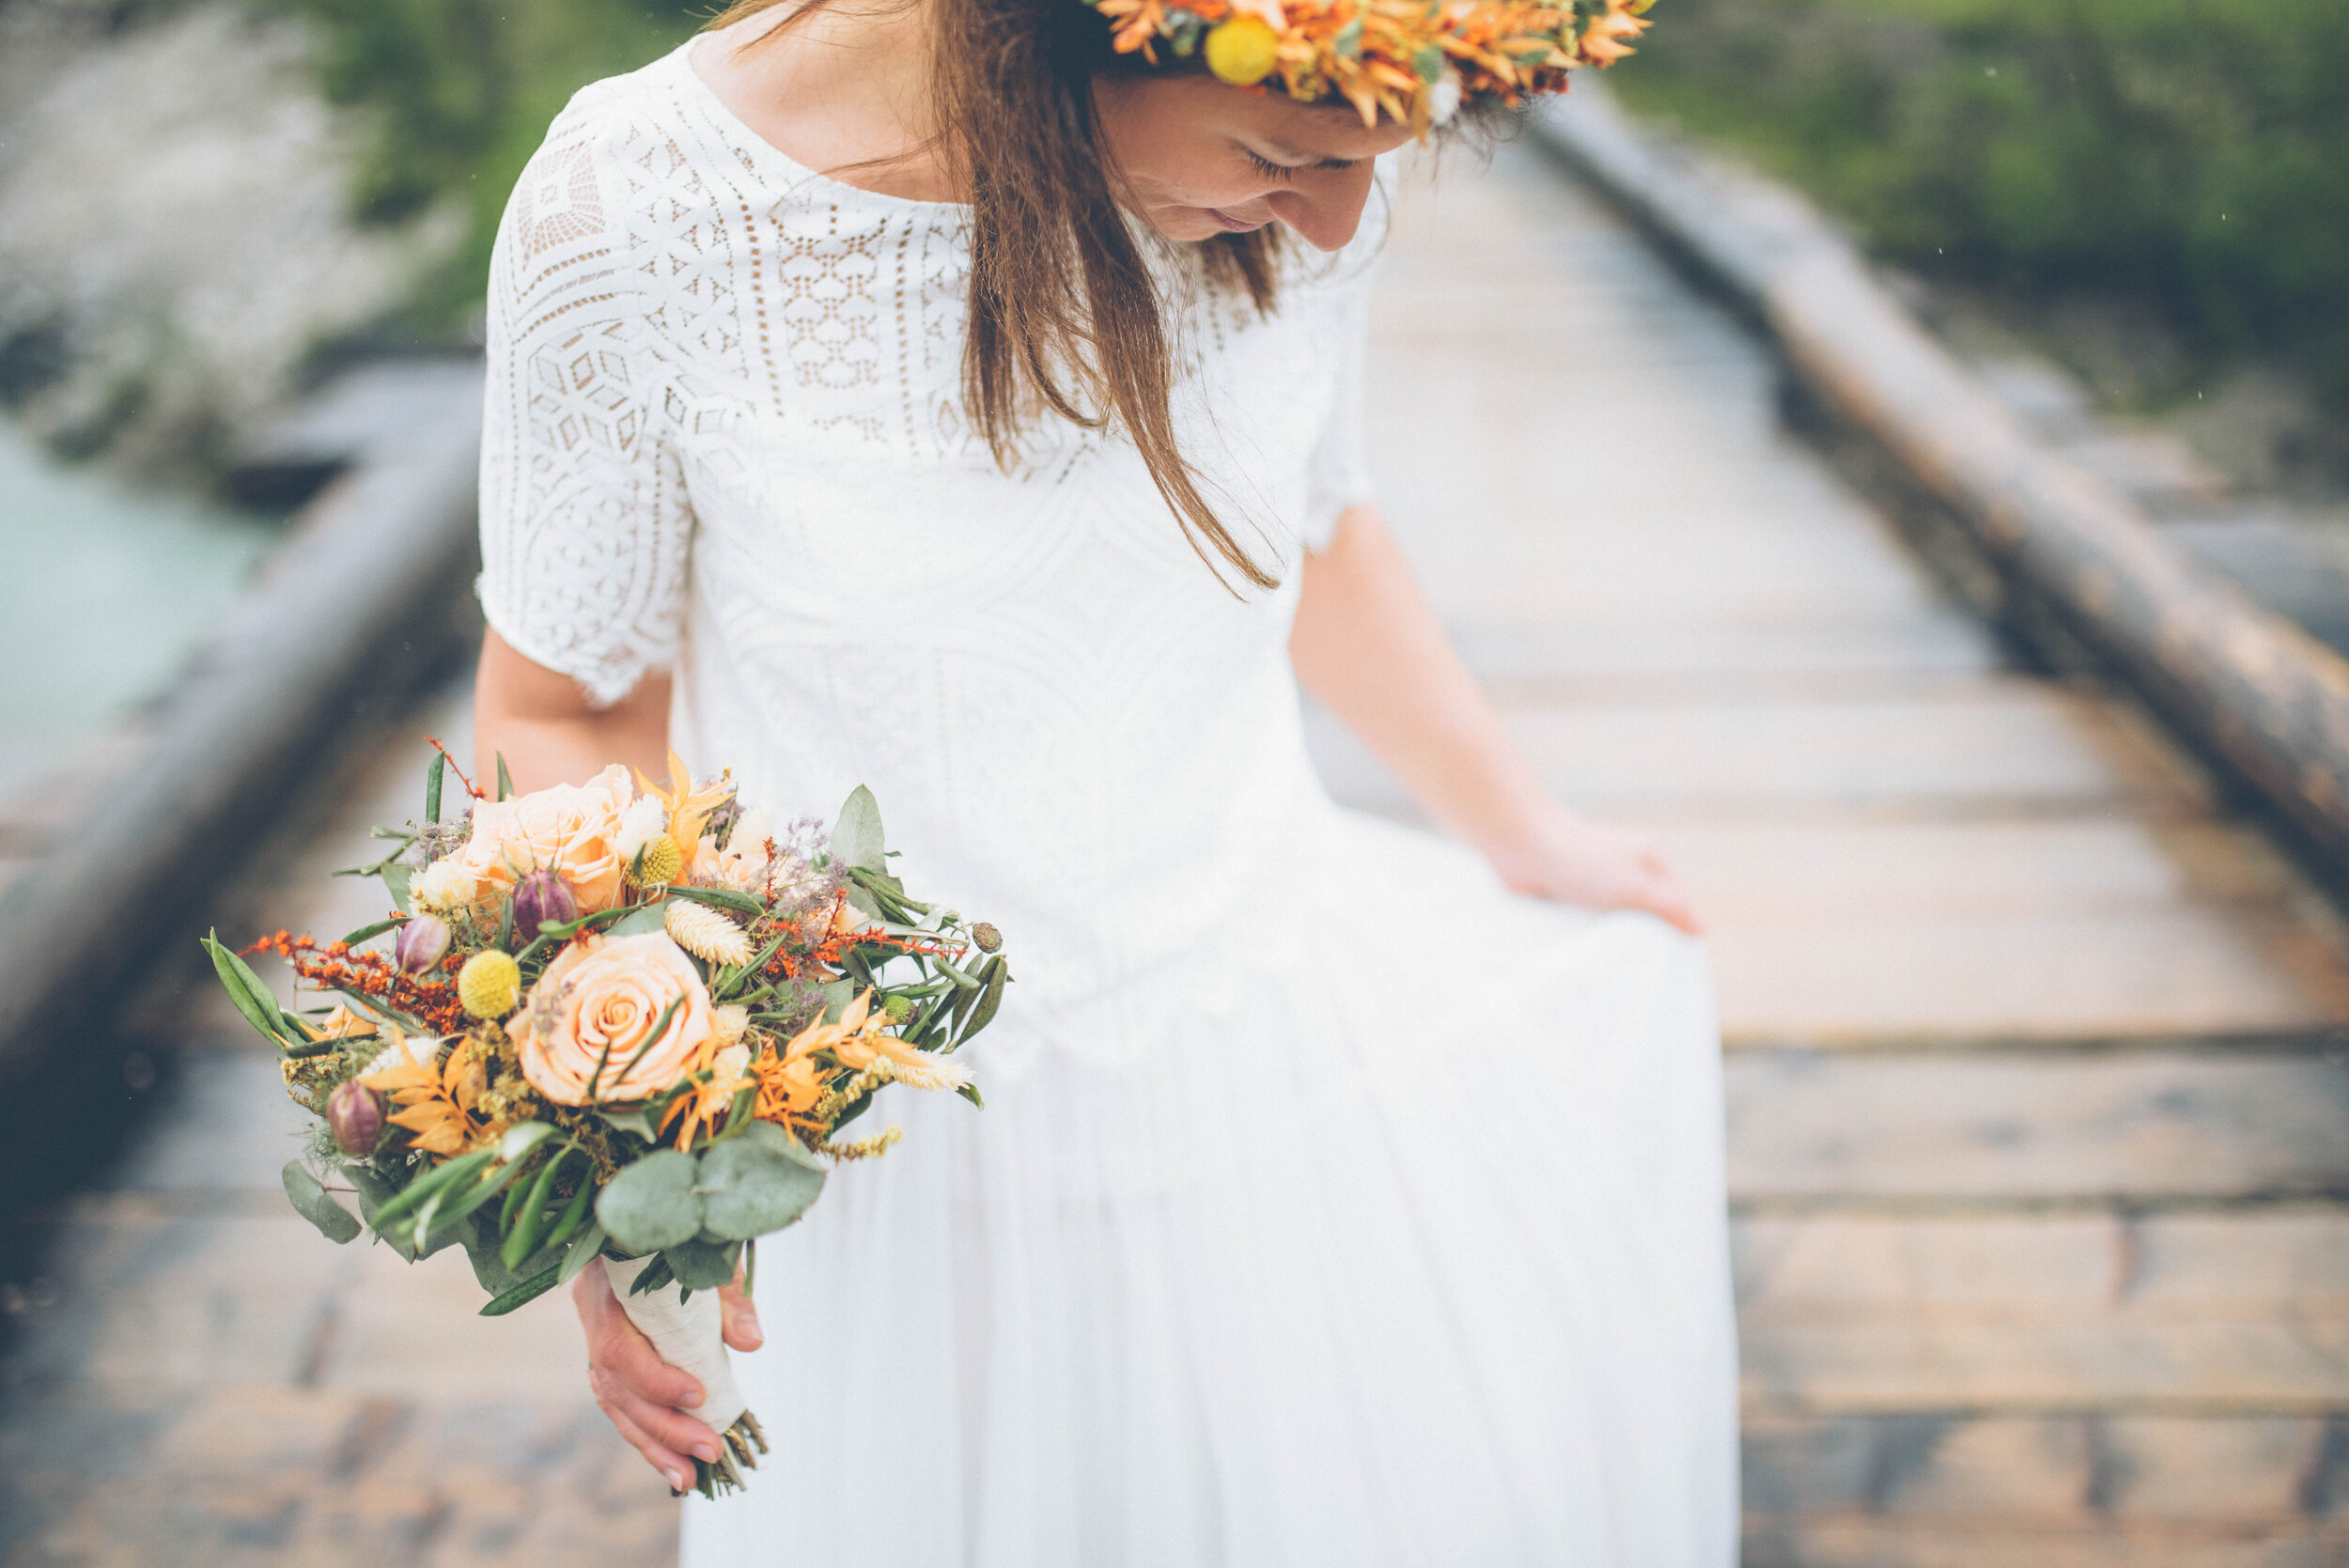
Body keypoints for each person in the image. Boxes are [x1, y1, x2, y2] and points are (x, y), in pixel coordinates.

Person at [471, 0, 1737, 1560]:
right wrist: (621, 1127)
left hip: (1261, 1061)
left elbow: (1317, 524)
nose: (1339, 216)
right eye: (1287, 155)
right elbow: (564, 704)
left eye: (1371, 163)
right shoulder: (635, 209)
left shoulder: (1321, 111)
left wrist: (1523, 831)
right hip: (889, 1143)